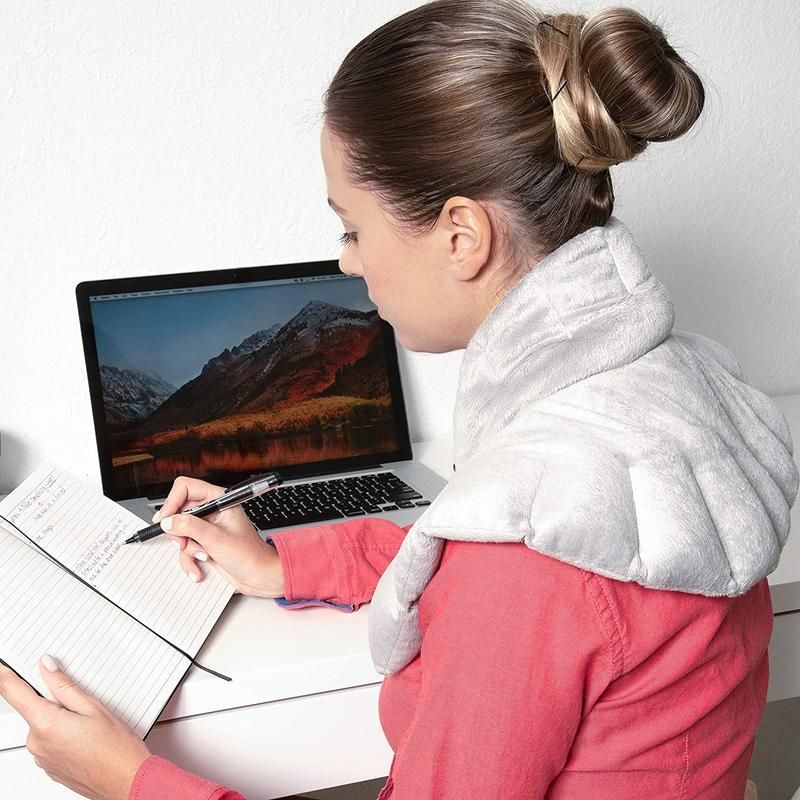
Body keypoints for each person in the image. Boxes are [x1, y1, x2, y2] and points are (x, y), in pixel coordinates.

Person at [0, 1, 796, 798]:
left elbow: (513, 574)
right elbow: (489, 555)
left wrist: (126, 779)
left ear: (461, 235)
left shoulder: (528, 556)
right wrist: (281, 565)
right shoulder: (670, 395)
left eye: (351, 229)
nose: (348, 264)